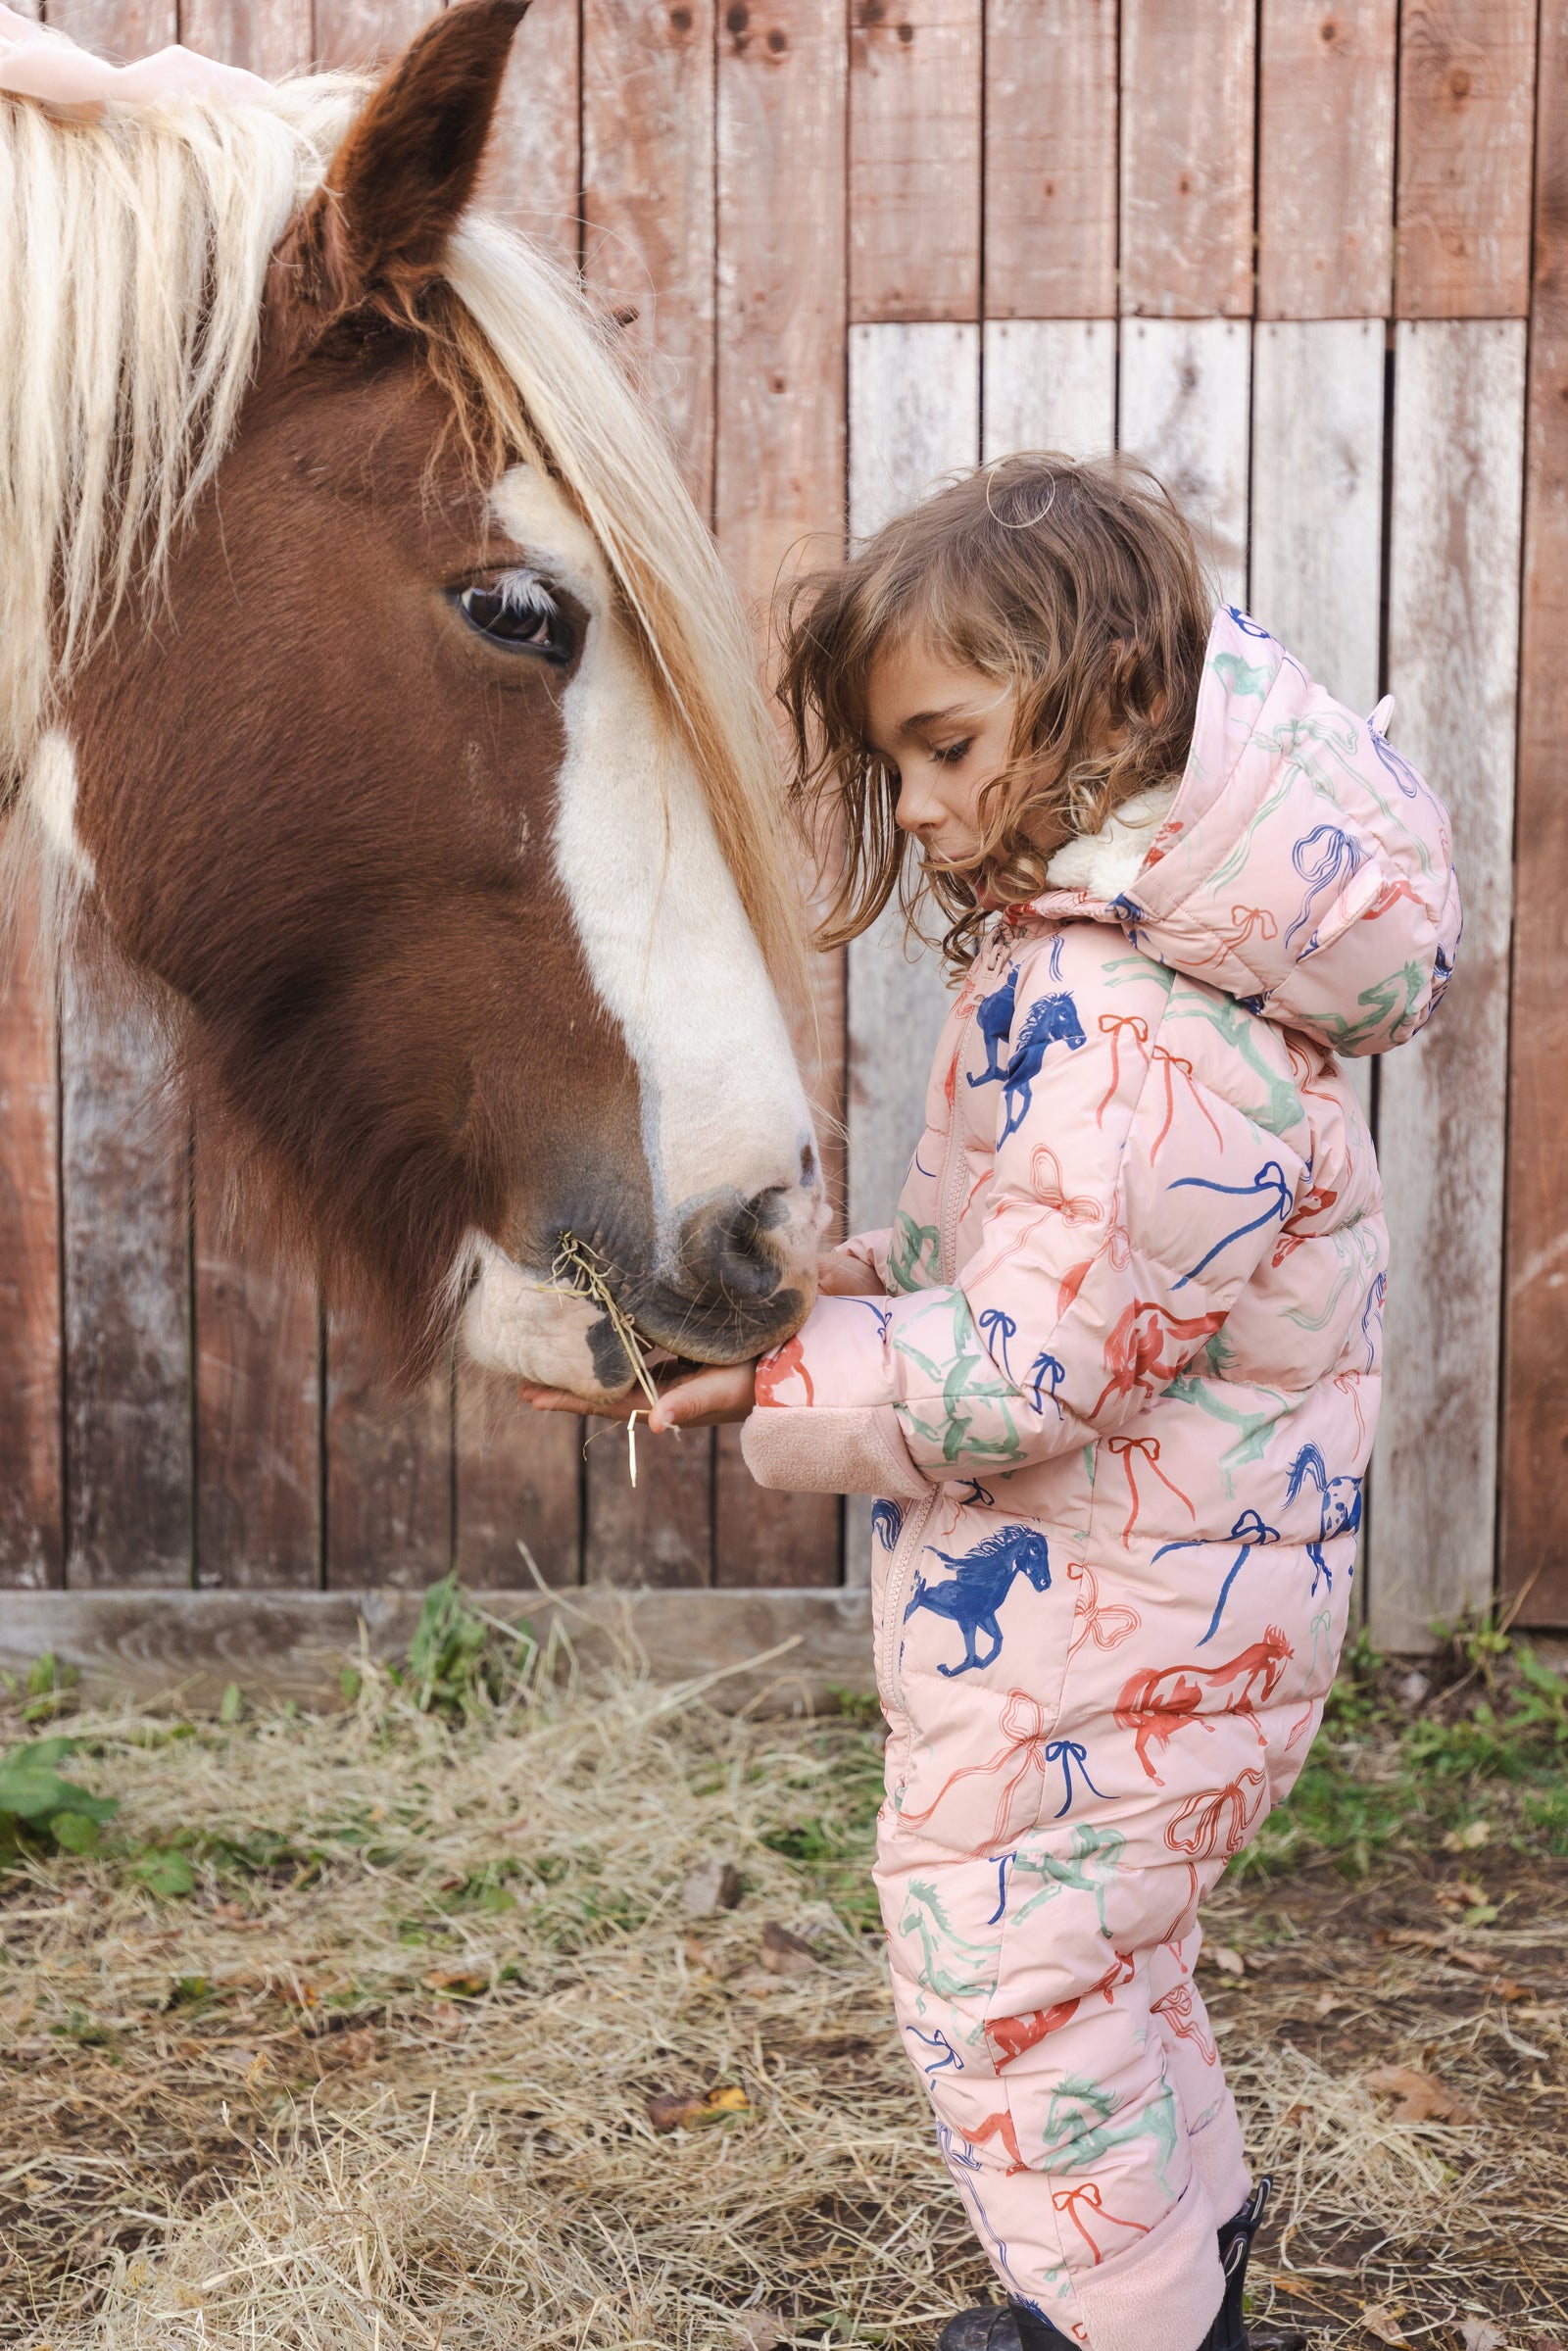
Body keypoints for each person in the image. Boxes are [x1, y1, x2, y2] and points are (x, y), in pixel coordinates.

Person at [518, 455, 1459, 2351]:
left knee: (1014, 1988)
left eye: (948, 746)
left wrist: (771, 1373)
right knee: (1116, 1972)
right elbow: (1023, 1284)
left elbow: (1030, 1367)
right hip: (1131, 1615)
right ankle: (1176, 2287)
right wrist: (829, 1292)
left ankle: (1112, 2329)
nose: (930, 813)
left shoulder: (1142, 1031)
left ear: (1108, 690)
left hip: (1119, 1637)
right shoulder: (1138, 962)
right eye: (901, 771)